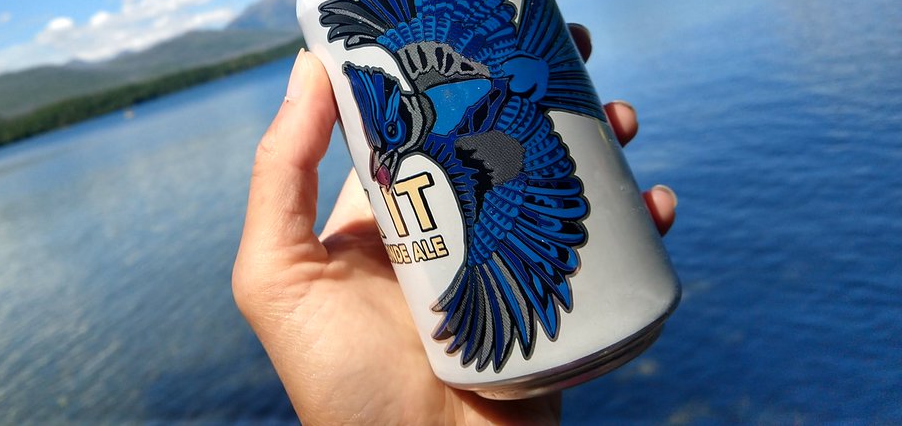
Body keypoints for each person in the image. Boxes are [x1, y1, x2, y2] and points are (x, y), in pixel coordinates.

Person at [232, 26, 677, 425]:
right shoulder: (422, 65)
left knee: (486, 238)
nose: (384, 156)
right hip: (528, 84)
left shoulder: (464, 153)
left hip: (522, 93)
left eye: (389, 136)